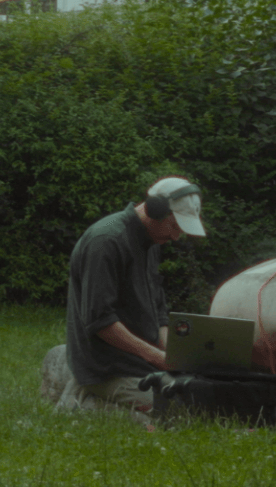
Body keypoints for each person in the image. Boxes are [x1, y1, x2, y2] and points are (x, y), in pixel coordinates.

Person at [64, 176, 206, 421]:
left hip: (140, 363)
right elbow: (101, 322)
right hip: (108, 369)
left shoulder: (151, 244)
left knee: (205, 400)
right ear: (156, 209)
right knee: (180, 415)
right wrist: (155, 357)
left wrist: (174, 356)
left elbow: (159, 314)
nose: (175, 237)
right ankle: (84, 402)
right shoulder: (106, 241)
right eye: (175, 227)